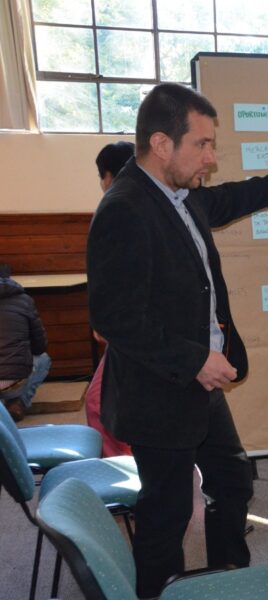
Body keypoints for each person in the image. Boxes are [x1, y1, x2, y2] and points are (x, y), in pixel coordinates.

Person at [87, 83, 268, 600]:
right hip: (160, 390)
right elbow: (116, 318)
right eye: (201, 144)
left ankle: (229, 582)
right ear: (162, 144)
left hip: (196, 384)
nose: (212, 157)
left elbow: (228, 199)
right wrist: (196, 360)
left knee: (232, 479)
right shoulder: (125, 208)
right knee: (168, 511)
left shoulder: (178, 196)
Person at [87, 141, 136, 456]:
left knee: (100, 404)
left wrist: (105, 323)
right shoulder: (140, 204)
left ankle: (125, 472)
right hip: (131, 331)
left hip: (130, 334)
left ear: (108, 175)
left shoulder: (118, 208)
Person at [0, 265, 51, 422]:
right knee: (43, 359)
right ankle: (19, 402)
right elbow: (39, 346)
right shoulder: (24, 300)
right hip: (11, 381)